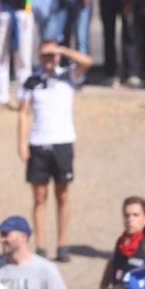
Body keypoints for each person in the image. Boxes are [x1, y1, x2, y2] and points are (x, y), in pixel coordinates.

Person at [18, 42, 95, 260]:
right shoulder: (31, 81)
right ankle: (41, 245)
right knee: (39, 196)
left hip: (62, 143)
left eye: (53, 55)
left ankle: (62, 245)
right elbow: (23, 113)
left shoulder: (68, 76)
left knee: (62, 195)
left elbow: (87, 62)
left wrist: (62, 50)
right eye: (45, 55)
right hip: (38, 143)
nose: (50, 59)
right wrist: (22, 143)